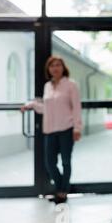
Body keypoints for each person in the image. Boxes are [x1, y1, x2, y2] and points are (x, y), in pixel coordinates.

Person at [21, 56, 82, 204]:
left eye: (58, 65)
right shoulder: (47, 86)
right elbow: (45, 108)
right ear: (48, 69)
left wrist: (77, 127)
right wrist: (31, 105)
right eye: (52, 66)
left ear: (63, 68)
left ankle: (62, 191)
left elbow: (76, 108)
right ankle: (61, 187)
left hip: (67, 128)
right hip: (49, 130)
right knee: (49, 163)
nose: (55, 68)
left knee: (66, 161)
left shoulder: (71, 85)